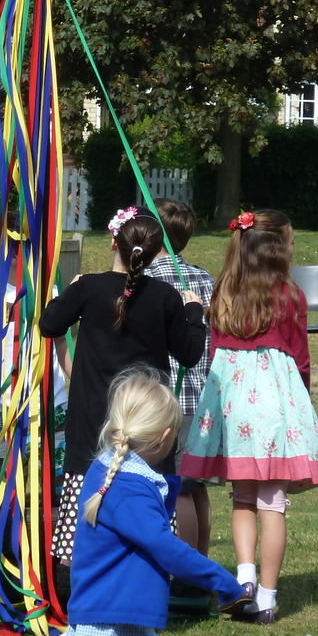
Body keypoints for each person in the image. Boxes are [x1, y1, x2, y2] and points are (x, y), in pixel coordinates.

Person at [180, 209, 318, 625]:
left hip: (232, 406)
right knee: (273, 503)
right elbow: (300, 358)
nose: (293, 247)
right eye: (290, 241)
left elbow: (216, 351)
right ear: (276, 249)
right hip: (272, 408)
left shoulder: (224, 291)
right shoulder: (289, 295)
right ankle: (266, 597)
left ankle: (243, 577)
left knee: (243, 497)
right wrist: (300, 397)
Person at [39, 207, 206, 565]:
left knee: (86, 498)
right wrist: (194, 313)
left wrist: (69, 293)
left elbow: (49, 323)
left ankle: (80, 578)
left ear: (114, 242)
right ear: (155, 251)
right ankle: (147, 566)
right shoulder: (165, 296)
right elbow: (190, 354)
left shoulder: (88, 288)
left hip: (93, 422)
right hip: (145, 423)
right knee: (145, 494)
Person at [61, 369, 246, 636]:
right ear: (165, 438)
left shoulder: (106, 469)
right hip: (110, 628)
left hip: (117, 618)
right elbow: (167, 549)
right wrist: (225, 583)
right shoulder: (129, 489)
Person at [143, 198, 215, 557]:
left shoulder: (146, 280)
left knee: (179, 486)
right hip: (203, 397)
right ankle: (200, 565)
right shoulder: (205, 278)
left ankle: (184, 572)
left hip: (169, 398)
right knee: (196, 485)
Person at [0, 274, 70, 474]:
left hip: (52, 407)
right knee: (4, 488)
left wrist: (78, 379)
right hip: (2, 410)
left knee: (56, 488)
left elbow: (61, 341)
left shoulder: (49, 289)